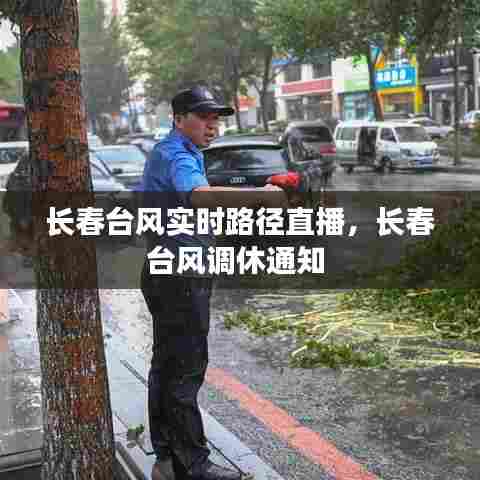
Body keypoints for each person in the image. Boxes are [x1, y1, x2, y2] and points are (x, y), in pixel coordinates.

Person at [141, 85, 287, 480]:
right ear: (178, 118)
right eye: (203, 117)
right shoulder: (176, 154)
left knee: (166, 366)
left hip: (167, 270)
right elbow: (199, 196)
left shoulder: (180, 153)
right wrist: (260, 196)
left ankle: (167, 459)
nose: (213, 126)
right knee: (185, 371)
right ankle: (194, 466)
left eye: (216, 119)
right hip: (181, 276)